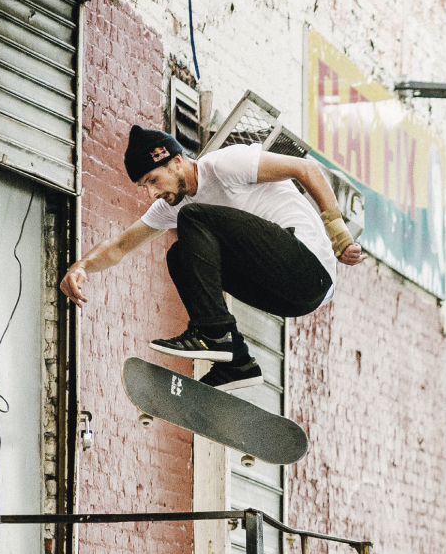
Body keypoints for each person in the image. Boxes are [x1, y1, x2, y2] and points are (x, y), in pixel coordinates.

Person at [59, 125, 365, 393]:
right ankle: (237, 363)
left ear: (176, 162)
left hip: (309, 267)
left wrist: (339, 236)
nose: (151, 193)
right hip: (289, 298)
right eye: (144, 187)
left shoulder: (224, 165)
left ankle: (216, 335)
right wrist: (81, 267)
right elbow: (119, 246)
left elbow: (306, 169)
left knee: (192, 217)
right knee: (180, 255)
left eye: (154, 180)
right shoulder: (170, 206)